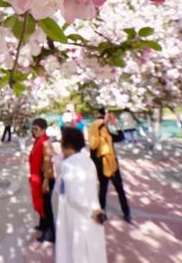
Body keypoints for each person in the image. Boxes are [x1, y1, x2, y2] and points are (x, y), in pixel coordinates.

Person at [55, 126, 107, 263]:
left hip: (78, 213)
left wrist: (90, 212)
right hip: (92, 209)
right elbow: (96, 186)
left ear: (67, 144)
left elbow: (71, 196)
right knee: (91, 251)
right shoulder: (88, 161)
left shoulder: (68, 164)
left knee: (76, 250)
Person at [88, 108, 131, 223]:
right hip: (102, 163)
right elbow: (93, 146)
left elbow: (120, 137)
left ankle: (126, 213)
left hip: (112, 163)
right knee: (103, 190)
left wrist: (115, 125)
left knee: (118, 189)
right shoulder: (95, 127)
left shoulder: (107, 128)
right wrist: (105, 122)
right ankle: (102, 214)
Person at [29, 118, 55, 243]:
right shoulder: (38, 140)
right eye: (33, 129)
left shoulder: (45, 142)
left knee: (46, 206)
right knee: (41, 203)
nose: (34, 131)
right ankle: (43, 225)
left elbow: (48, 163)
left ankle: (50, 232)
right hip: (38, 176)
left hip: (46, 177)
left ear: (44, 130)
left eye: (36, 129)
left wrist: (45, 181)